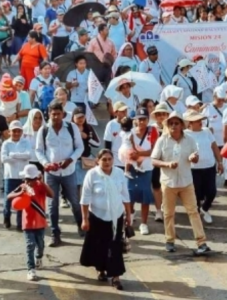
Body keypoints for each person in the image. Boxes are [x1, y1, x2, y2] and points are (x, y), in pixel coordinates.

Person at [151, 112, 212, 255]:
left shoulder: (189, 140)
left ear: (182, 125)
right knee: (168, 213)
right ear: (168, 125)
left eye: (176, 123)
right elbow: (153, 160)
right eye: (171, 123)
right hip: (168, 182)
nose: (173, 126)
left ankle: (201, 242)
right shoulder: (162, 140)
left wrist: (193, 158)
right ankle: (170, 240)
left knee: (193, 212)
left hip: (186, 182)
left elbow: (195, 157)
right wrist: (167, 164)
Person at [35, 100, 85, 247]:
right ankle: (55, 234)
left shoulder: (72, 127)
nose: (56, 117)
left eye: (58, 114)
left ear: (63, 114)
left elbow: (79, 147)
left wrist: (71, 159)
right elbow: (38, 151)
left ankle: (82, 227)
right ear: (49, 114)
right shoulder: (43, 130)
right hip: (51, 174)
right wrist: (45, 164)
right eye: (53, 114)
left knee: (75, 202)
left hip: (69, 171)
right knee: (52, 205)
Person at [80, 149, 131, 291]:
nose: (107, 162)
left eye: (109, 159)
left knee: (115, 247)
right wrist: (85, 219)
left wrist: (129, 216)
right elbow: (85, 199)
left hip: (116, 216)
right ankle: (101, 270)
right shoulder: (92, 174)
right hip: (97, 216)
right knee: (99, 245)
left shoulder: (119, 173)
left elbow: (125, 195)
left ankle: (116, 277)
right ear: (98, 161)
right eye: (104, 159)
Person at [7, 164, 54, 282]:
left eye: (30, 179)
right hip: (27, 223)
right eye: (26, 179)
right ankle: (31, 269)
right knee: (30, 245)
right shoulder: (22, 186)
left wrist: (42, 182)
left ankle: (39, 257)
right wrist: (19, 193)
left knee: (40, 245)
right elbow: (9, 196)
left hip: (40, 222)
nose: (27, 181)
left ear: (36, 178)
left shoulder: (41, 186)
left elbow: (51, 194)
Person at [120, 110, 155, 234]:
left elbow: (153, 151)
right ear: (135, 120)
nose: (141, 122)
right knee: (129, 194)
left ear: (148, 119)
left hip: (146, 168)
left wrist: (139, 154)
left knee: (145, 196)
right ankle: (129, 217)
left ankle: (144, 224)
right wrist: (131, 156)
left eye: (143, 119)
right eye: (138, 119)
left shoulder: (153, 132)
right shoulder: (129, 133)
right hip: (132, 168)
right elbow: (124, 150)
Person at [185, 109, 222, 224]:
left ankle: (204, 208)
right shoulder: (185, 134)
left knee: (212, 192)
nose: (200, 122)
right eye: (197, 120)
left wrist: (219, 162)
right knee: (196, 194)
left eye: (200, 119)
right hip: (193, 169)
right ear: (190, 123)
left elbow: (214, 147)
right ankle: (196, 217)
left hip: (209, 166)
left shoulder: (207, 131)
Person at [1, 120, 34, 230]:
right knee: (8, 199)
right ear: (10, 132)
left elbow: (29, 156)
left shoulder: (26, 142)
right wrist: (20, 156)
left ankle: (20, 223)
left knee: (22, 199)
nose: (16, 133)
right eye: (14, 131)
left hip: (23, 177)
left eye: (18, 131)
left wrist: (13, 155)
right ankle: (6, 217)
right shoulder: (6, 143)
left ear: (21, 132)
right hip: (10, 176)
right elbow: (4, 158)